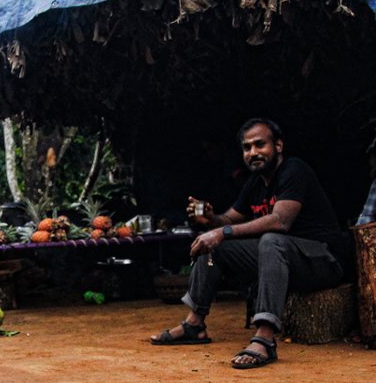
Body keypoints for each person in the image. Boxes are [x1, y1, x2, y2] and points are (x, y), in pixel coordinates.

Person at [149, 118, 352, 369]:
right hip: (284, 261)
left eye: (260, 145)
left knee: (271, 240)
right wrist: (211, 219)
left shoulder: (294, 170)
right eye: (247, 148)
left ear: (278, 146)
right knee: (212, 244)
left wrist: (222, 230)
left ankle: (265, 339)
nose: (253, 153)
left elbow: (280, 221)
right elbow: (229, 219)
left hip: (323, 260)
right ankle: (194, 325)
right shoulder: (255, 183)